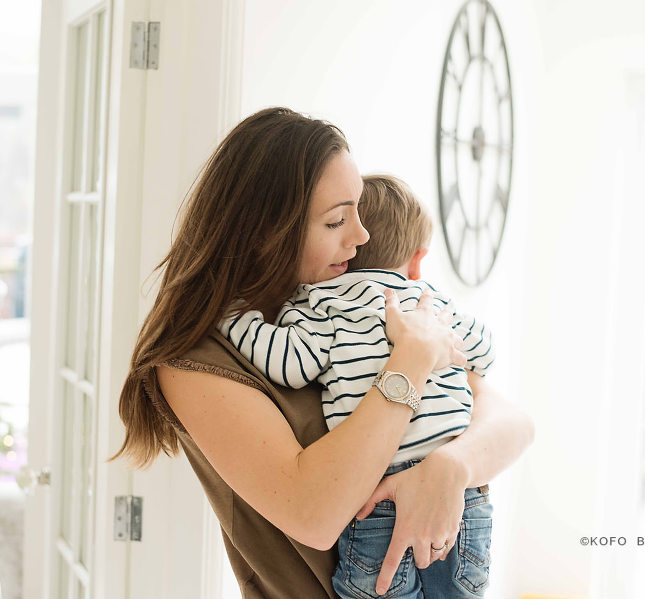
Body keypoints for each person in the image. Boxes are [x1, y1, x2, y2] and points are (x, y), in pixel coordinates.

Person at [112, 107, 534, 599]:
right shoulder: (198, 362)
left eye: (357, 211)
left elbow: (512, 421)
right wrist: (412, 360)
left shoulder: (353, 302)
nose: (362, 236)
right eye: (337, 220)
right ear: (266, 231)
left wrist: (453, 465)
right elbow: (316, 514)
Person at [219, 174, 496, 597]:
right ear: (418, 259)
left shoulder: (323, 305)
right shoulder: (433, 303)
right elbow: (485, 350)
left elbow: (290, 364)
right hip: (461, 500)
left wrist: (235, 315)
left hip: (377, 496)